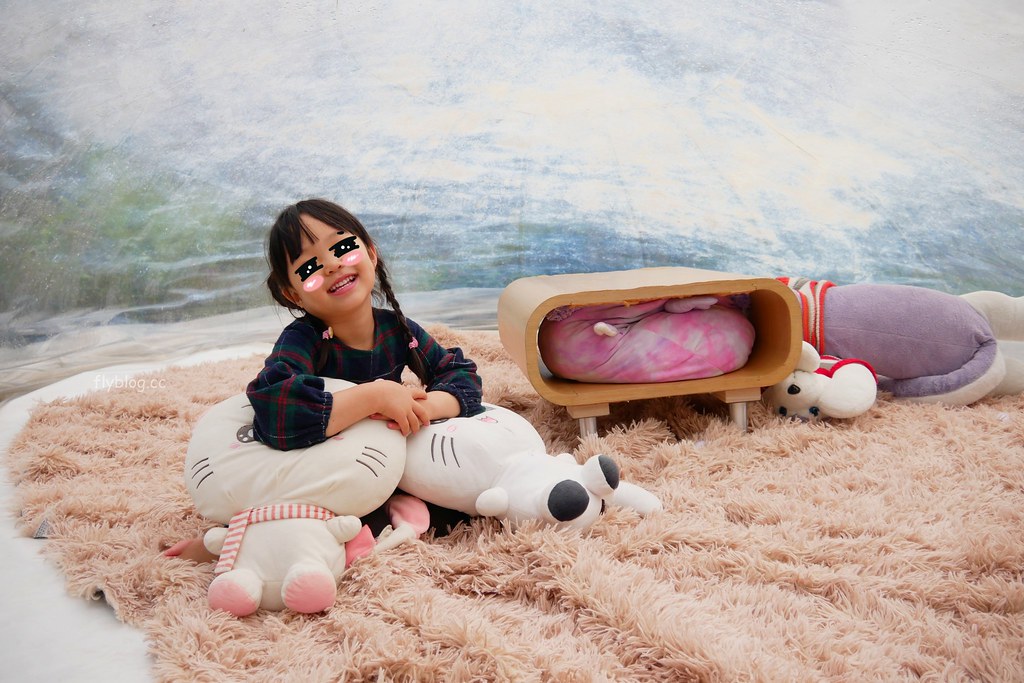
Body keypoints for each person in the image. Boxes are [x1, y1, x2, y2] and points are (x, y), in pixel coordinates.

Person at [165, 198, 483, 562]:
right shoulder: (305, 339)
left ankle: (378, 523)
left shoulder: (397, 329)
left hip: (381, 459)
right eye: (310, 267)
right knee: (304, 520)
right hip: (323, 468)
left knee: (460, 495)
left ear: (371, 253)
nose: (332, 264)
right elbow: (277, 408)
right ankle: (232, 542)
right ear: (293, 293)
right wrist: (375, 396)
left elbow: (460, 374)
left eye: (342, 247)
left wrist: (424, 406)